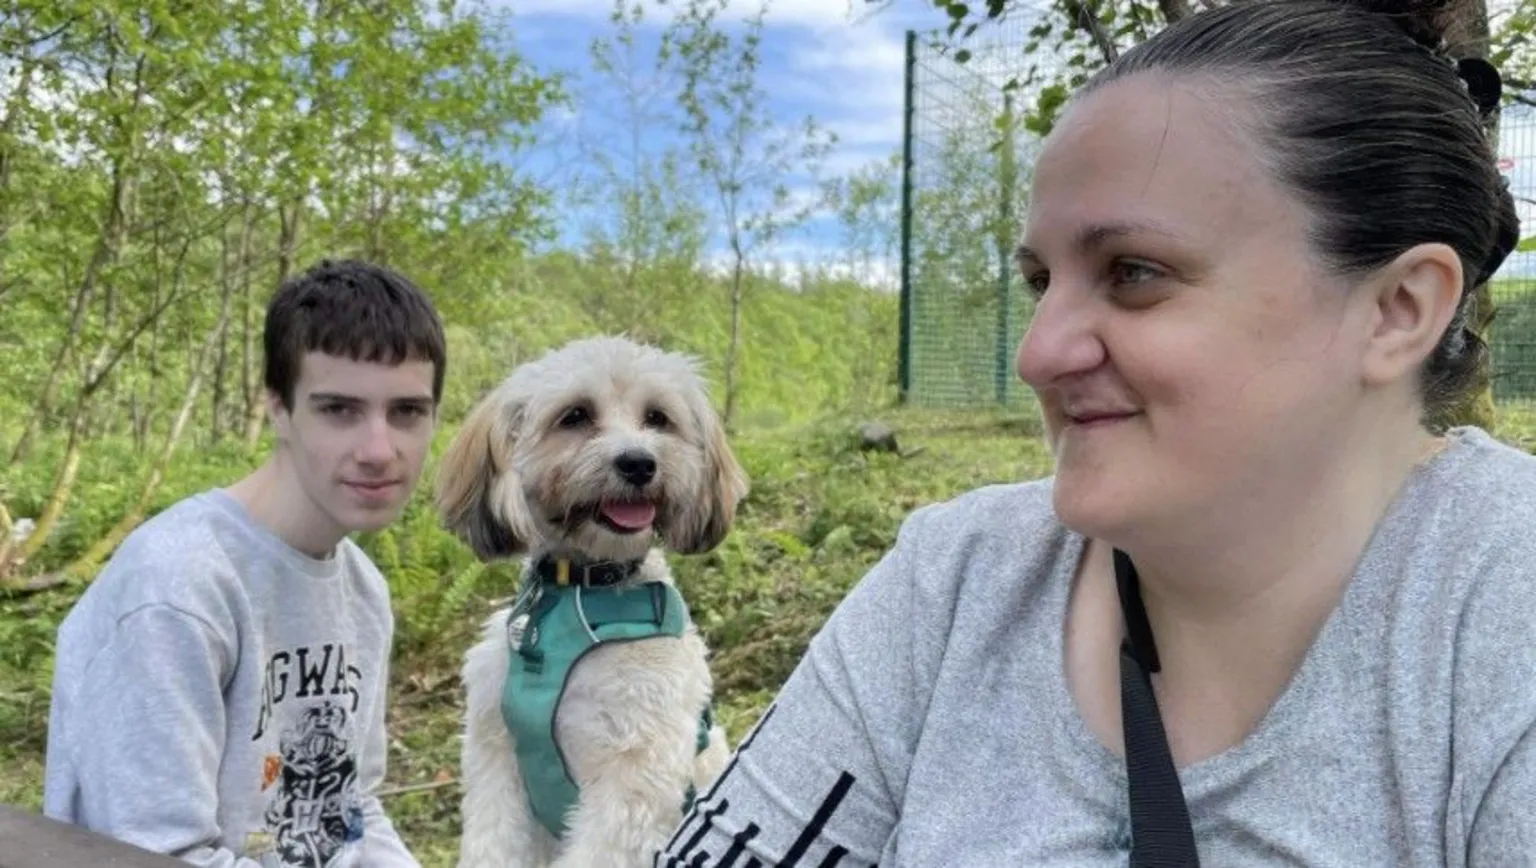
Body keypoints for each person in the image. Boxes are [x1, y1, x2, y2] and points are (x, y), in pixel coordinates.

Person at [657, 0, 1536, 864]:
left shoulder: (1501, 608)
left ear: (1397, 310)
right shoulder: (957, 581)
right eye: (1044, 280)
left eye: (1136, 273)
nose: (1037, 355)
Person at [43, 259, 446, 868]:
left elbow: (352, 805)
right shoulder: (178, 586)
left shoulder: (363, 590)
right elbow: (158, 855)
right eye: (338, 409)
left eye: (408, 412)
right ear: (278, 409)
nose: (379, 450)